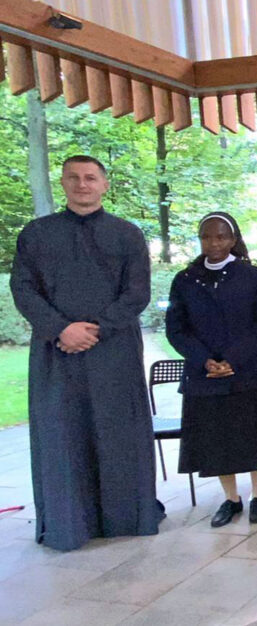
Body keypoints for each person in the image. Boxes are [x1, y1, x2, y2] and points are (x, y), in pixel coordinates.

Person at [9, 155, 163, 551]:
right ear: (62, 183)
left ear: (104, 185)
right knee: (63, 433)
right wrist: (61, 328)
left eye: (91, 178)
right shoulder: (36, 234)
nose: (82, 184)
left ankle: (126, 517)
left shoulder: (127, 235)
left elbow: (137, 293)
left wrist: (94, 330)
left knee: (118, 433)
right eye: (74, 178)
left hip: (114, 352)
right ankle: (68, 523)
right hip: (56, 352)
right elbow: (23, 289)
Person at [165, 212, 257, 527]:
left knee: (256, 436)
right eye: (207, 236)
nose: (214, 242)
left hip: (249, 371)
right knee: (217, 440)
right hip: (204, 375)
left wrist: (233, 360)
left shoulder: (253, 277)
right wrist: (203, 359)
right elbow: (176, 328)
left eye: (221, 236)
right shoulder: (185, 280)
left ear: (233, 239)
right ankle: (231, 499)